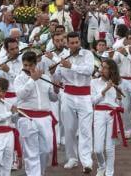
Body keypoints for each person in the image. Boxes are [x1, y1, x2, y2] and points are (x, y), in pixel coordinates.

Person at [54, 32, 94, 173]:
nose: (75, 45)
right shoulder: (63, 57)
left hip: (84, 95)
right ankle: (72, 158)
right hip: (68, 95)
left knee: (85, 129)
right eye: (72, 43)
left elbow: (89, 70)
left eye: (77, 42)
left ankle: (86, 161)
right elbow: (57, 76)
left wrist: (71, 66)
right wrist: (54, 70)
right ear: (67, 43)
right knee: (69, 128)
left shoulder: (87, 54)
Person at [14, 51, 59, 175]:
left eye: (30, 65)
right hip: (27, 118)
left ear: (36, 64)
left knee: (46, 149)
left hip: (45, 118)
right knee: (31, 152)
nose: (27, 68)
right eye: (25, 65)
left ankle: (40, 172)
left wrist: (56, 91)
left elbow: (53, 98)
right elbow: (21, 95)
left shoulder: (45, 78)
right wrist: (32, 80)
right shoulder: (19, 78)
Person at [92, 59, 126, 176]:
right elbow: (93, 101)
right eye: (102, 67)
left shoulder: (118, 83)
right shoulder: (94, 82)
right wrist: (105, 89)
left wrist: (119, 97)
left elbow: (121, 107)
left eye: (105, 67)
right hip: (99, 114)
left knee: (110, 147)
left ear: (111, 70)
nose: (102, 69)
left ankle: (110, 172)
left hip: (112, 115)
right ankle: (101, 166)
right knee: (98, 149)